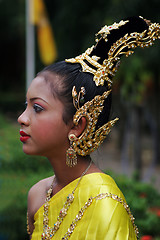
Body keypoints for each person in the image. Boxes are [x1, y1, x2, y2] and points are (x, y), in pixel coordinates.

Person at [18, 16, 160, 240]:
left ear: (77, 125)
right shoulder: (37, 195)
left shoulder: (106, 205)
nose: (22, 119)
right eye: (24, 106)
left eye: (37, 108)